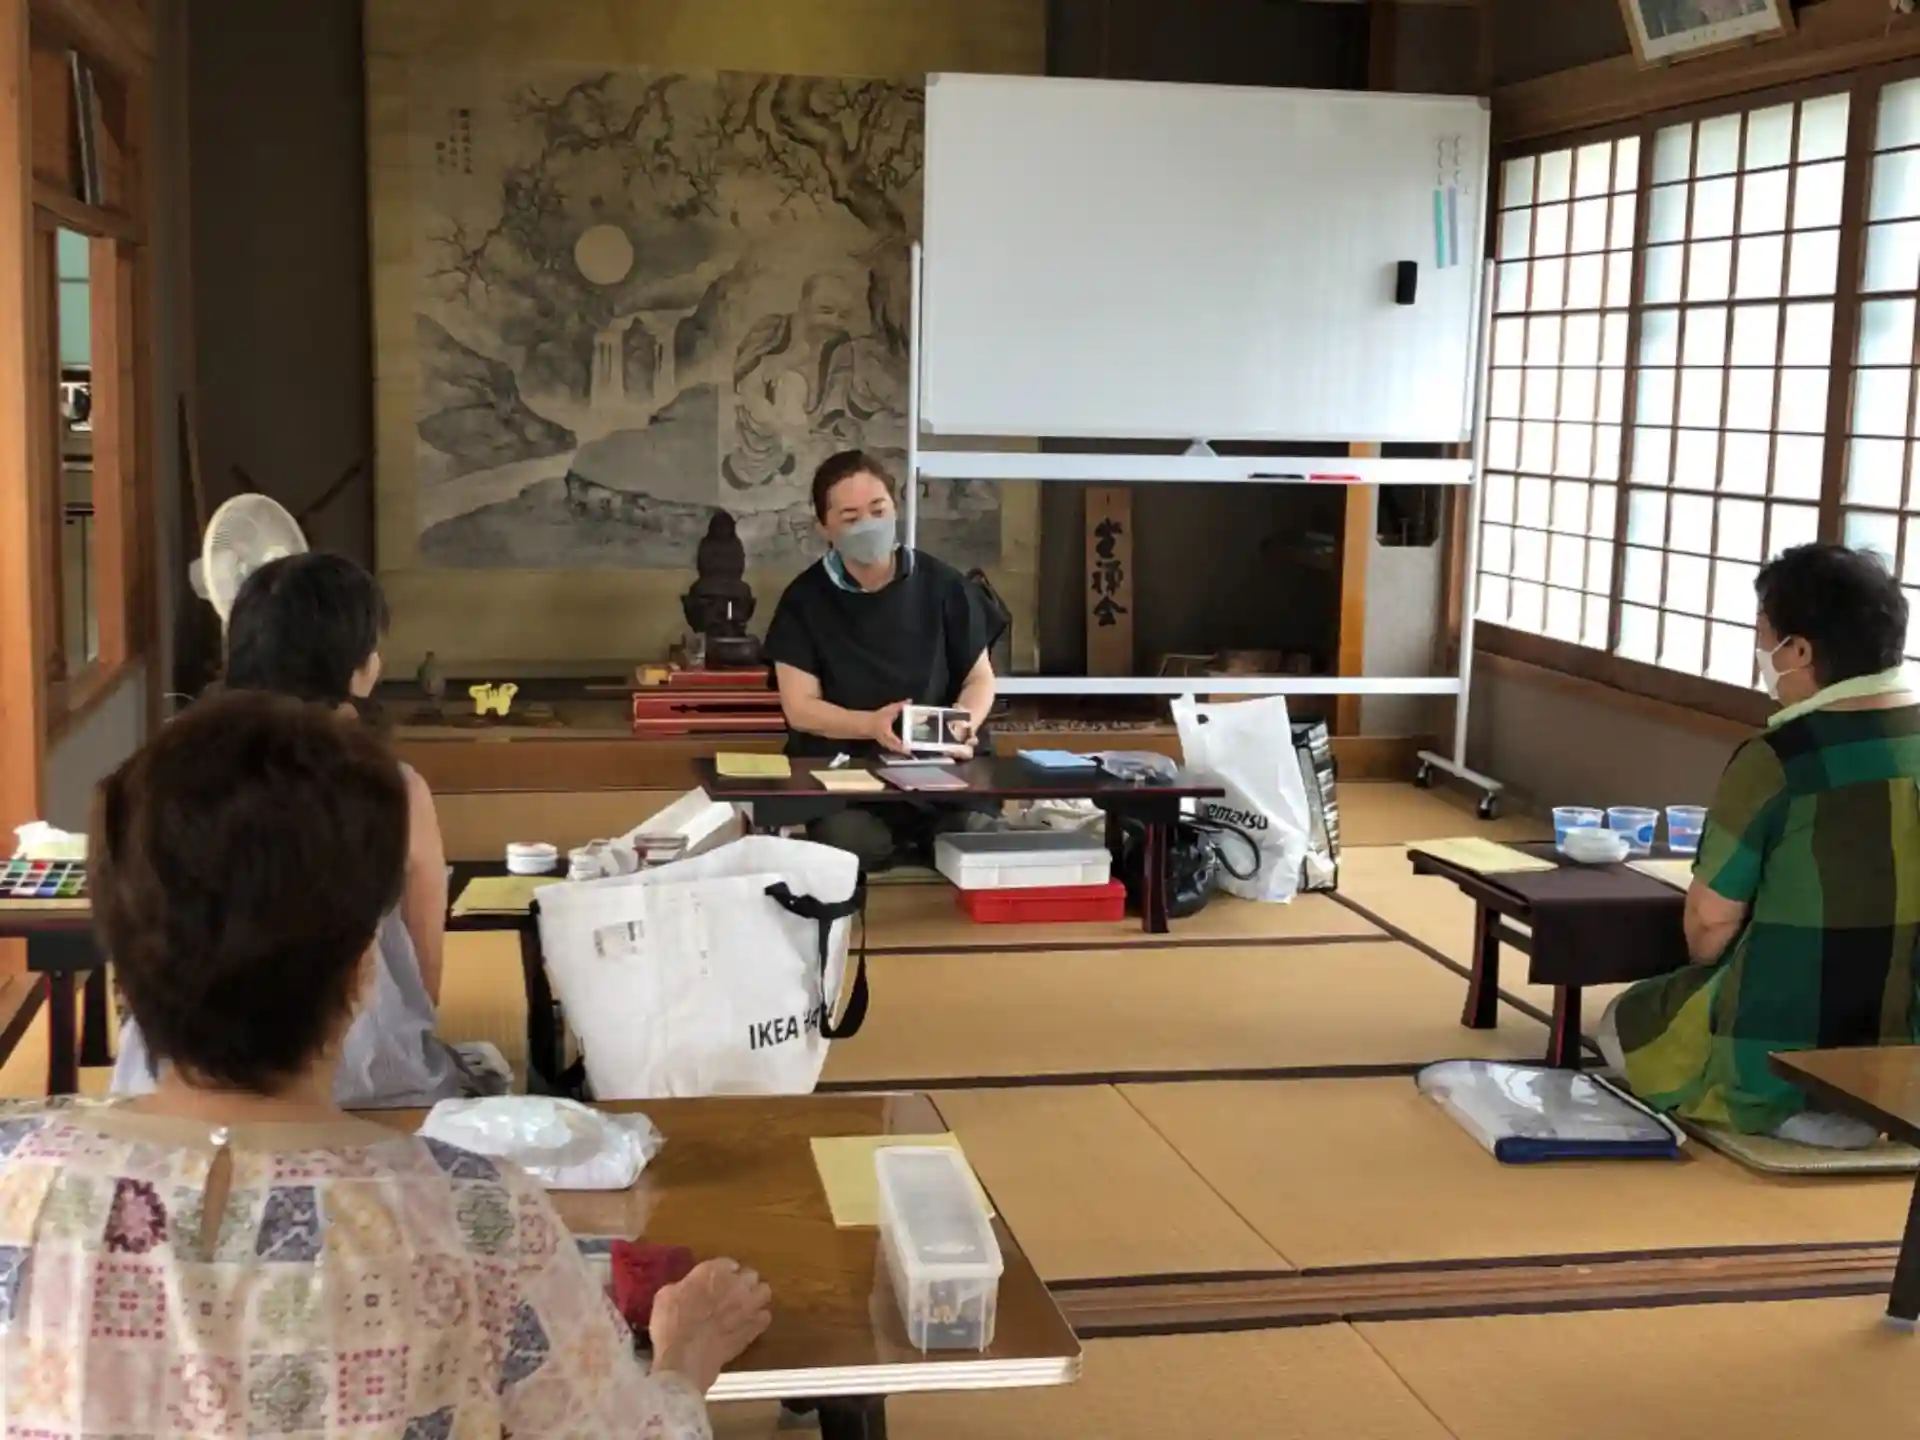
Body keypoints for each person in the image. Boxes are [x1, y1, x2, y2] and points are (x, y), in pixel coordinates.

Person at [0, 691, 769, 1435]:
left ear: (121, 960)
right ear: (364, 969)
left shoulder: (15, 1179)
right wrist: (684, 1356)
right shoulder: (476, 1215)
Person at [110, 552, 507, 1107]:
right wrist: (410, 1028)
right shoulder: (393, 786)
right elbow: (423, 950)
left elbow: (134, 920)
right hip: (360, 1071)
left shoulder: (163, 770)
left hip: (174, 1069)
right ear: (355, 667)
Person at [1600, 543, 1920, 1147]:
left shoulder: (1780, 759)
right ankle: (1876, 1099)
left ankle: (1785, 1106)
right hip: (1908, 1047)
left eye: (1764, 635)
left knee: (1624, 1020)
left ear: (1798, 651)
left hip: (1777, 1041)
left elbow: (1710, 925)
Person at [762, 449, 1000, 871]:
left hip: (940, 771)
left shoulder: (945, 586)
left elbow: (979, 678)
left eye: (878, 510)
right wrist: (871, 725)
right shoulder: (804, 601)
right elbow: (799, 708)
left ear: (895, 508)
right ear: (824, 527)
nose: (869, 525)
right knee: (852, 843)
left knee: (976, 836)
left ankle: (934, 844)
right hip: (847, 776)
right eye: (851, 517)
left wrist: (963, 724)